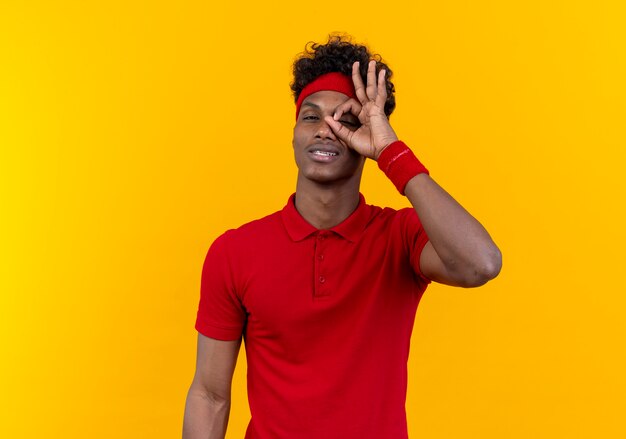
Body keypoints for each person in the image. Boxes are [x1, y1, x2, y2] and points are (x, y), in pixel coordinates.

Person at [183, 35, 502, 439]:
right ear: (294, 132)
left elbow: (482, 263)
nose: (325, 131)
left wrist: (390, 149)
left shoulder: (400, 238)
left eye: (345, 121)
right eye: (311, 117)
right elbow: (210, 395)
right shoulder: (234, 251)